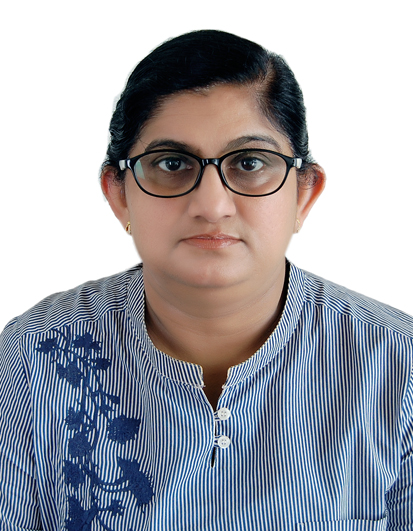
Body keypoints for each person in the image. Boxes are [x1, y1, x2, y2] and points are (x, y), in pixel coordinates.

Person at [0, 29, 412, 531]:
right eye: (171, 164)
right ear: (119, 194)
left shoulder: (397, 365)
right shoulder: (32, 359)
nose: (213, 206)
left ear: (304, 194)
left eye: (250, 163)